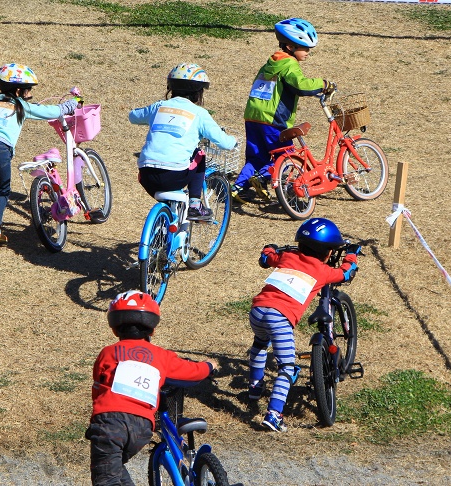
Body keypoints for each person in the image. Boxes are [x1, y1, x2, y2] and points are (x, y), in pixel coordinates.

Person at [86, 290, 218, 485]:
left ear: (114, 329)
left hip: (110, 425)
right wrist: (209, 366)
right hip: (142, 428)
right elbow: (193, 371)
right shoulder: (161, 356)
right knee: (114, 472)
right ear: (152, 329)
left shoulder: (107, 353)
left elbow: (98, 386)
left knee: (107, 476)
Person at [248, 218, 358, 432]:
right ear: (328, 253)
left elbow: (268, 257)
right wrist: (352, 255)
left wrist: (269, 249)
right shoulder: (322, 271)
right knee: (287, 367)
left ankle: (254, 387)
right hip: (280, 317)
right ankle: (274, 414)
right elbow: (345, 272)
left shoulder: (287, 256)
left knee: (260, 343)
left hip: (257, 310)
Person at [0, 63, 78, 250]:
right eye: (29, 90)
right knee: (2, 190)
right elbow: (51, 112)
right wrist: (72, 104)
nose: (30, 94)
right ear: (19, 91)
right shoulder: (22, 105)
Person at [231, 18, 335, 205]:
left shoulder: (270, 63)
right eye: (304, 48)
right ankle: (263, 178)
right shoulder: (289, 64)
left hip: (253, 117)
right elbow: (300, 85)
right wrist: (323, 84)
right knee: (285, 155)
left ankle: (237, 188)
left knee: (256, 157)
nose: (308, 53)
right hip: (273, 119)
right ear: (290, 47)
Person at [129, 63, 236, 220]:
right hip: (173, 175)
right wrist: (233, 141)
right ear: (199, 93)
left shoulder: (159, 107)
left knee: (168, 203)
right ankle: (194, 204)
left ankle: (163, 226)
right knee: (199, 154)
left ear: (171, 87)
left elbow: (133, 116)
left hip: (146, 175)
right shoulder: (199, 113)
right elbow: (225, 143)